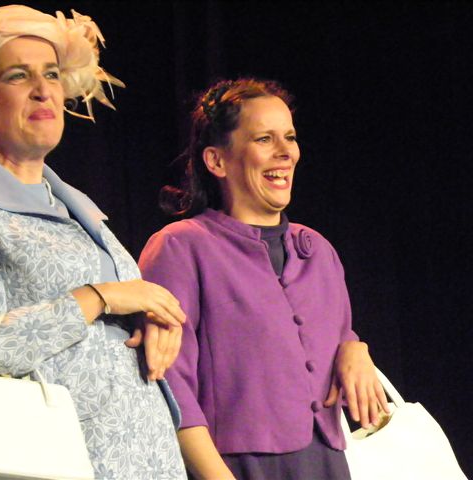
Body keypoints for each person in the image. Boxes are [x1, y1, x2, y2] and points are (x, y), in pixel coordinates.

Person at [0, 5, 187, 479]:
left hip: (145, 457)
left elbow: (122, 312)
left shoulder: (78, 209)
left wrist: (157, 318)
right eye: (19, 75)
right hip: (57, 460)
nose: (43, 90)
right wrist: (100, 297)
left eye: (51, 74)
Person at [138, 78, 389, 480]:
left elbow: (334, 333)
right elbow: (168, 384)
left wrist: (353, 347)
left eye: (290, 137)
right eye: (264, 139)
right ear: (217, 161)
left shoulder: (319, 251)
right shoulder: (181, 247)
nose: (286, 152)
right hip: (234, 467)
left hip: (325, 464)